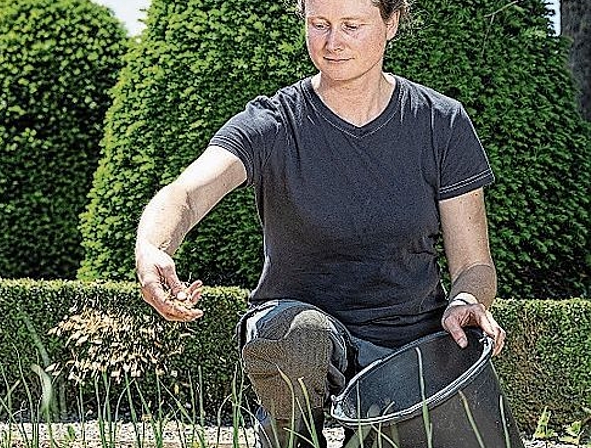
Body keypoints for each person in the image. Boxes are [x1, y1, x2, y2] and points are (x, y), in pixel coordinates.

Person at [135, 0, 507, 446]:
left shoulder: (439, 123)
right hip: (296, 329)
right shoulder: (274, 122)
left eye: (352, 25)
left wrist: (465, 298)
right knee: (300, 339)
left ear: (391, 23)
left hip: (408, 341)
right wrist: (154, 246)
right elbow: (187, 193)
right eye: (319, 24)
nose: (332, 43)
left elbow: (474, 264)